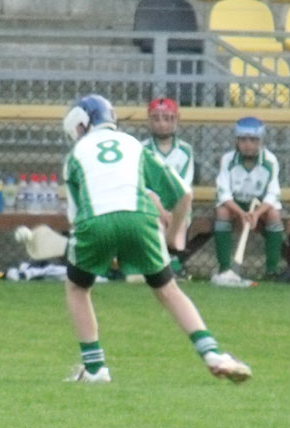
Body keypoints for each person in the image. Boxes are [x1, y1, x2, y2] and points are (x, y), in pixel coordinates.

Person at [62, 93, 252, 383]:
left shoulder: (74, 155)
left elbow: (76, 219)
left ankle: (95, 368)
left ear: (82, 125)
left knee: (78, 288)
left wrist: (106, 248)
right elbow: (183, 193)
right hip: (141, 218)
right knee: (167, 289)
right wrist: (176, 233)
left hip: (95, 222)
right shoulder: (134, 146)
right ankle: (212, 353)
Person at [212, 116, 284, 287]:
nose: (248, 144)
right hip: (236, 206)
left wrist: (256, 214)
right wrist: (241, 213)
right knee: (222, 211)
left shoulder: (270, 161)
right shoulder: (228, 160)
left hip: (259, 207)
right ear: (236, 140)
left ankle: (271, 270)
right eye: (243, 139)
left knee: (274, 214)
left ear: (261, 140)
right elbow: (223, 193)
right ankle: (225, 268)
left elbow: (273, 194)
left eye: (253, 140)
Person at [142, 98, 194, 278]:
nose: (162, 124)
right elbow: (144, 186)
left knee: (179, 220)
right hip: (152, 205)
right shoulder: (143, 150)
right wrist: (162, 211)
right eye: (156, 118)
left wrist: (171, 212)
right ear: (149, 120)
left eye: (167, 118)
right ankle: (163, 263)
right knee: (156, 220)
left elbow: (184, 186)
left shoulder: (186, 151)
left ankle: (172, 261)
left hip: (177, 205)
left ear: (176, 120)